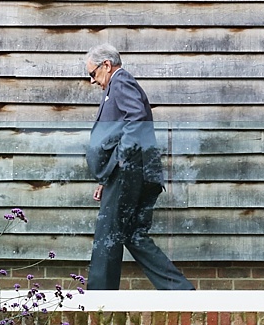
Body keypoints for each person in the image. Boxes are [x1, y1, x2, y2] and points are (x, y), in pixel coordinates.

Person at [84, 44, 195, 290]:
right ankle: (180, 290)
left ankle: (98, 300)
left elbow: (136, 119)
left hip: (130, 172)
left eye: (92, 74)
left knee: (108, 234)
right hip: (134, 172)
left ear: (106, 65)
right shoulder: (117, 85)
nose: (92, 81)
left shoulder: (120, 82)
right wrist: (106, 178)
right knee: (133, 235)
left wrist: (121, 160)